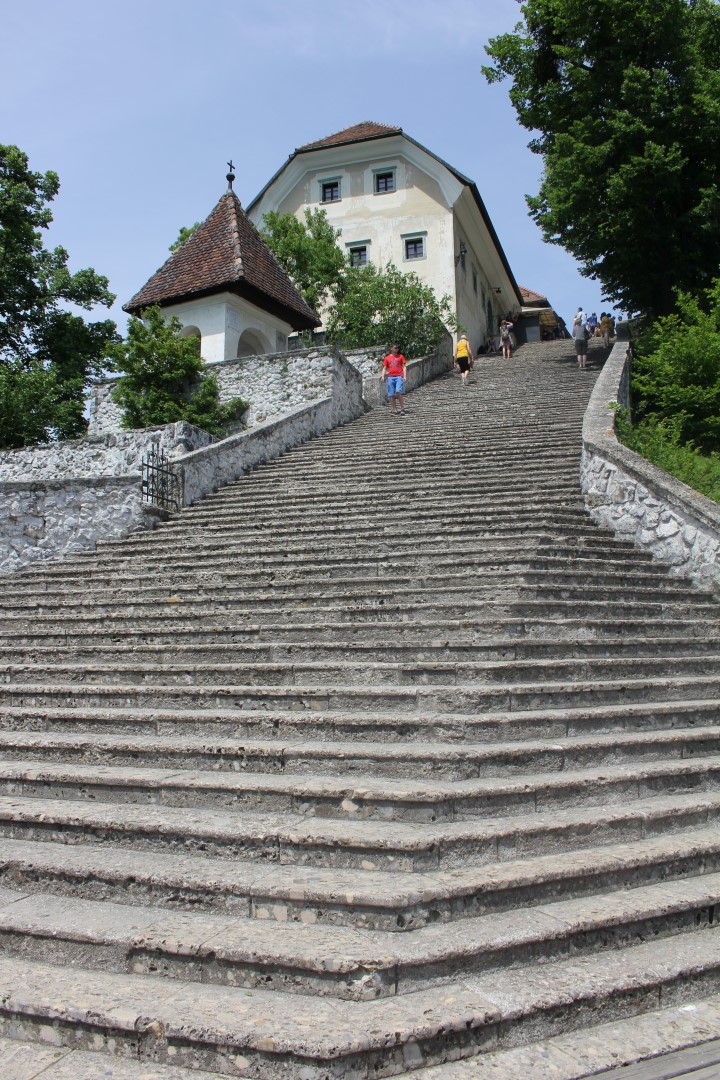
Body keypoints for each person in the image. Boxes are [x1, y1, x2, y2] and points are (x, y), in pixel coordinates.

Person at [381, 344, 407, 416]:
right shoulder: (387, 358)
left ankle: (402, 408)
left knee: (398, 391)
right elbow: (384, 368)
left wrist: (404, 376)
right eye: (395, 348)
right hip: (390, 377)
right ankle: (394, 409)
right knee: (391, 394)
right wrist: (383, 376)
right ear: (391, 349)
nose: (397, 349)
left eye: (397, 348)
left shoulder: (401, 356)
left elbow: (404, 367)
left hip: (398, 376)